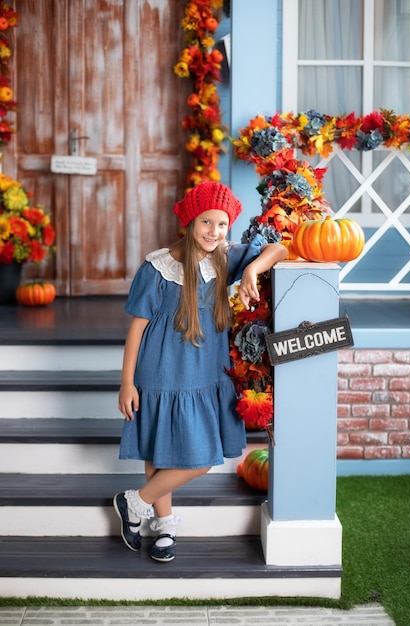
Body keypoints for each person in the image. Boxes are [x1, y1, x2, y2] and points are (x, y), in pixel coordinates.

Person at [113, 181, 288, 563]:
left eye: (222, 224)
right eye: (207, 222)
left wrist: (252, 270)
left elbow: (280, 248)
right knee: (159, 451)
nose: (214, 231)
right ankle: (164, 523)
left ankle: (135, 502)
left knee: (204, 456)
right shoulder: (157, 267)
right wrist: (127, 382)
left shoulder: (224, 258)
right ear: (190, 222)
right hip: (160, 369)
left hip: (205, 371)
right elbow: (137, 328)